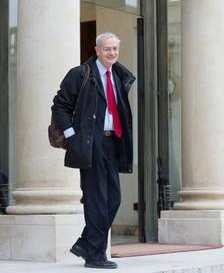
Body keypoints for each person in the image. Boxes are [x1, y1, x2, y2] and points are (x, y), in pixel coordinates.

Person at [51, 32, 135, 269]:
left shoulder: (119, 75)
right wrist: (72, 136)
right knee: (96, 198)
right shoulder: (81, 74)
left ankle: (87, 243)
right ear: (97, 50)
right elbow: (60, 105)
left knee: (114, 198)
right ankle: (95, 255)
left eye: (115, 49)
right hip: (90, 142)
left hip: (113, 141)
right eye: (107, 49)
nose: (112, 53)